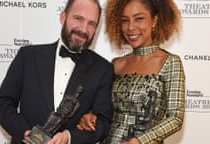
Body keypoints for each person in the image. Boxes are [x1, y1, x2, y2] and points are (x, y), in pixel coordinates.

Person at [0, 0, 114, 144]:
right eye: (78, 18)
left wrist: (69, 137)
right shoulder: (28, 56)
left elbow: (103, 123)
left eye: (91, 24)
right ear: (63, 17)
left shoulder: (103, 69)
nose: (83, 29)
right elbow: (3, 103)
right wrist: (27, 133)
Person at [77, 0, 185, 143]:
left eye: (139, 19)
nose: (130, 27)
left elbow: (175, 118)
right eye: (124, 20)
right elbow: (103, 109)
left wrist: (139, 141)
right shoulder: (116, 64)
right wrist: (91, 117)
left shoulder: (170, 63)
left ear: (155, 20)